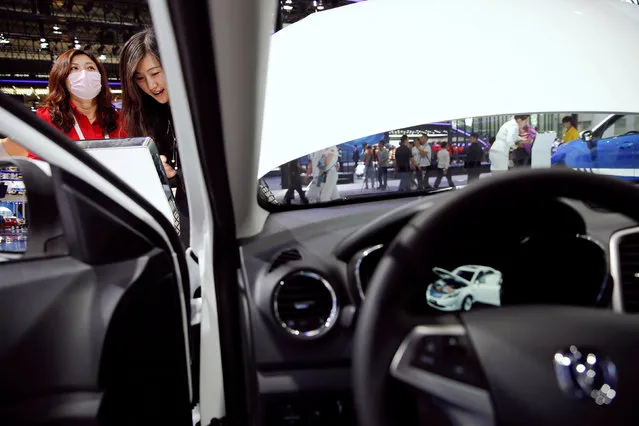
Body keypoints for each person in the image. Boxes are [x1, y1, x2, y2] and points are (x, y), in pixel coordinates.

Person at [119, 28, 190, 246]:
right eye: (140, 78)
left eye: (156, 73)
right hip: (183, 214)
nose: (151, 86)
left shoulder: (202, 109)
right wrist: (162, 173)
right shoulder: (148, 116)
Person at [29, 49, 126, 160]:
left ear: (100, 77)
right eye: (74, 68)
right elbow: (38, 165)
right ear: (62, 77)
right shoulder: (48, 118)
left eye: (90, 68)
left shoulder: (119, 120)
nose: (84, 73)